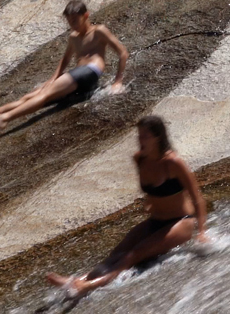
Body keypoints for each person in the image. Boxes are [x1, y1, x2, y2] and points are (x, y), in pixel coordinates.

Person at [47, 116, 209, 298]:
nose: (140, 140)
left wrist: (202, 232)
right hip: (155, 221)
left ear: (158, 137)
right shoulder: (139, 159)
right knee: (116, 253)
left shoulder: (173, 162)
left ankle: (86, 286)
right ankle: (75, 280)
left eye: (145, 136)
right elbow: (152, 189)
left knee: (131, 256)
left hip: (180, 223)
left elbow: (197, 197)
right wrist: (149, 202)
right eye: (139, 136)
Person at [0, 0, 128, 131]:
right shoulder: (73, 37)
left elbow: (122, 53)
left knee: (44, 94)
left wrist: (118, 81)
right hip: (77, 75)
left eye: (75, 21)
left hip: (90, 72)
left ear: (86, 16)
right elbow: (65, 60)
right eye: (70, 22)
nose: (73, 25)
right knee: (29, 97)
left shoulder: (99, 31)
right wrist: (53, 78)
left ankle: (4, 119)